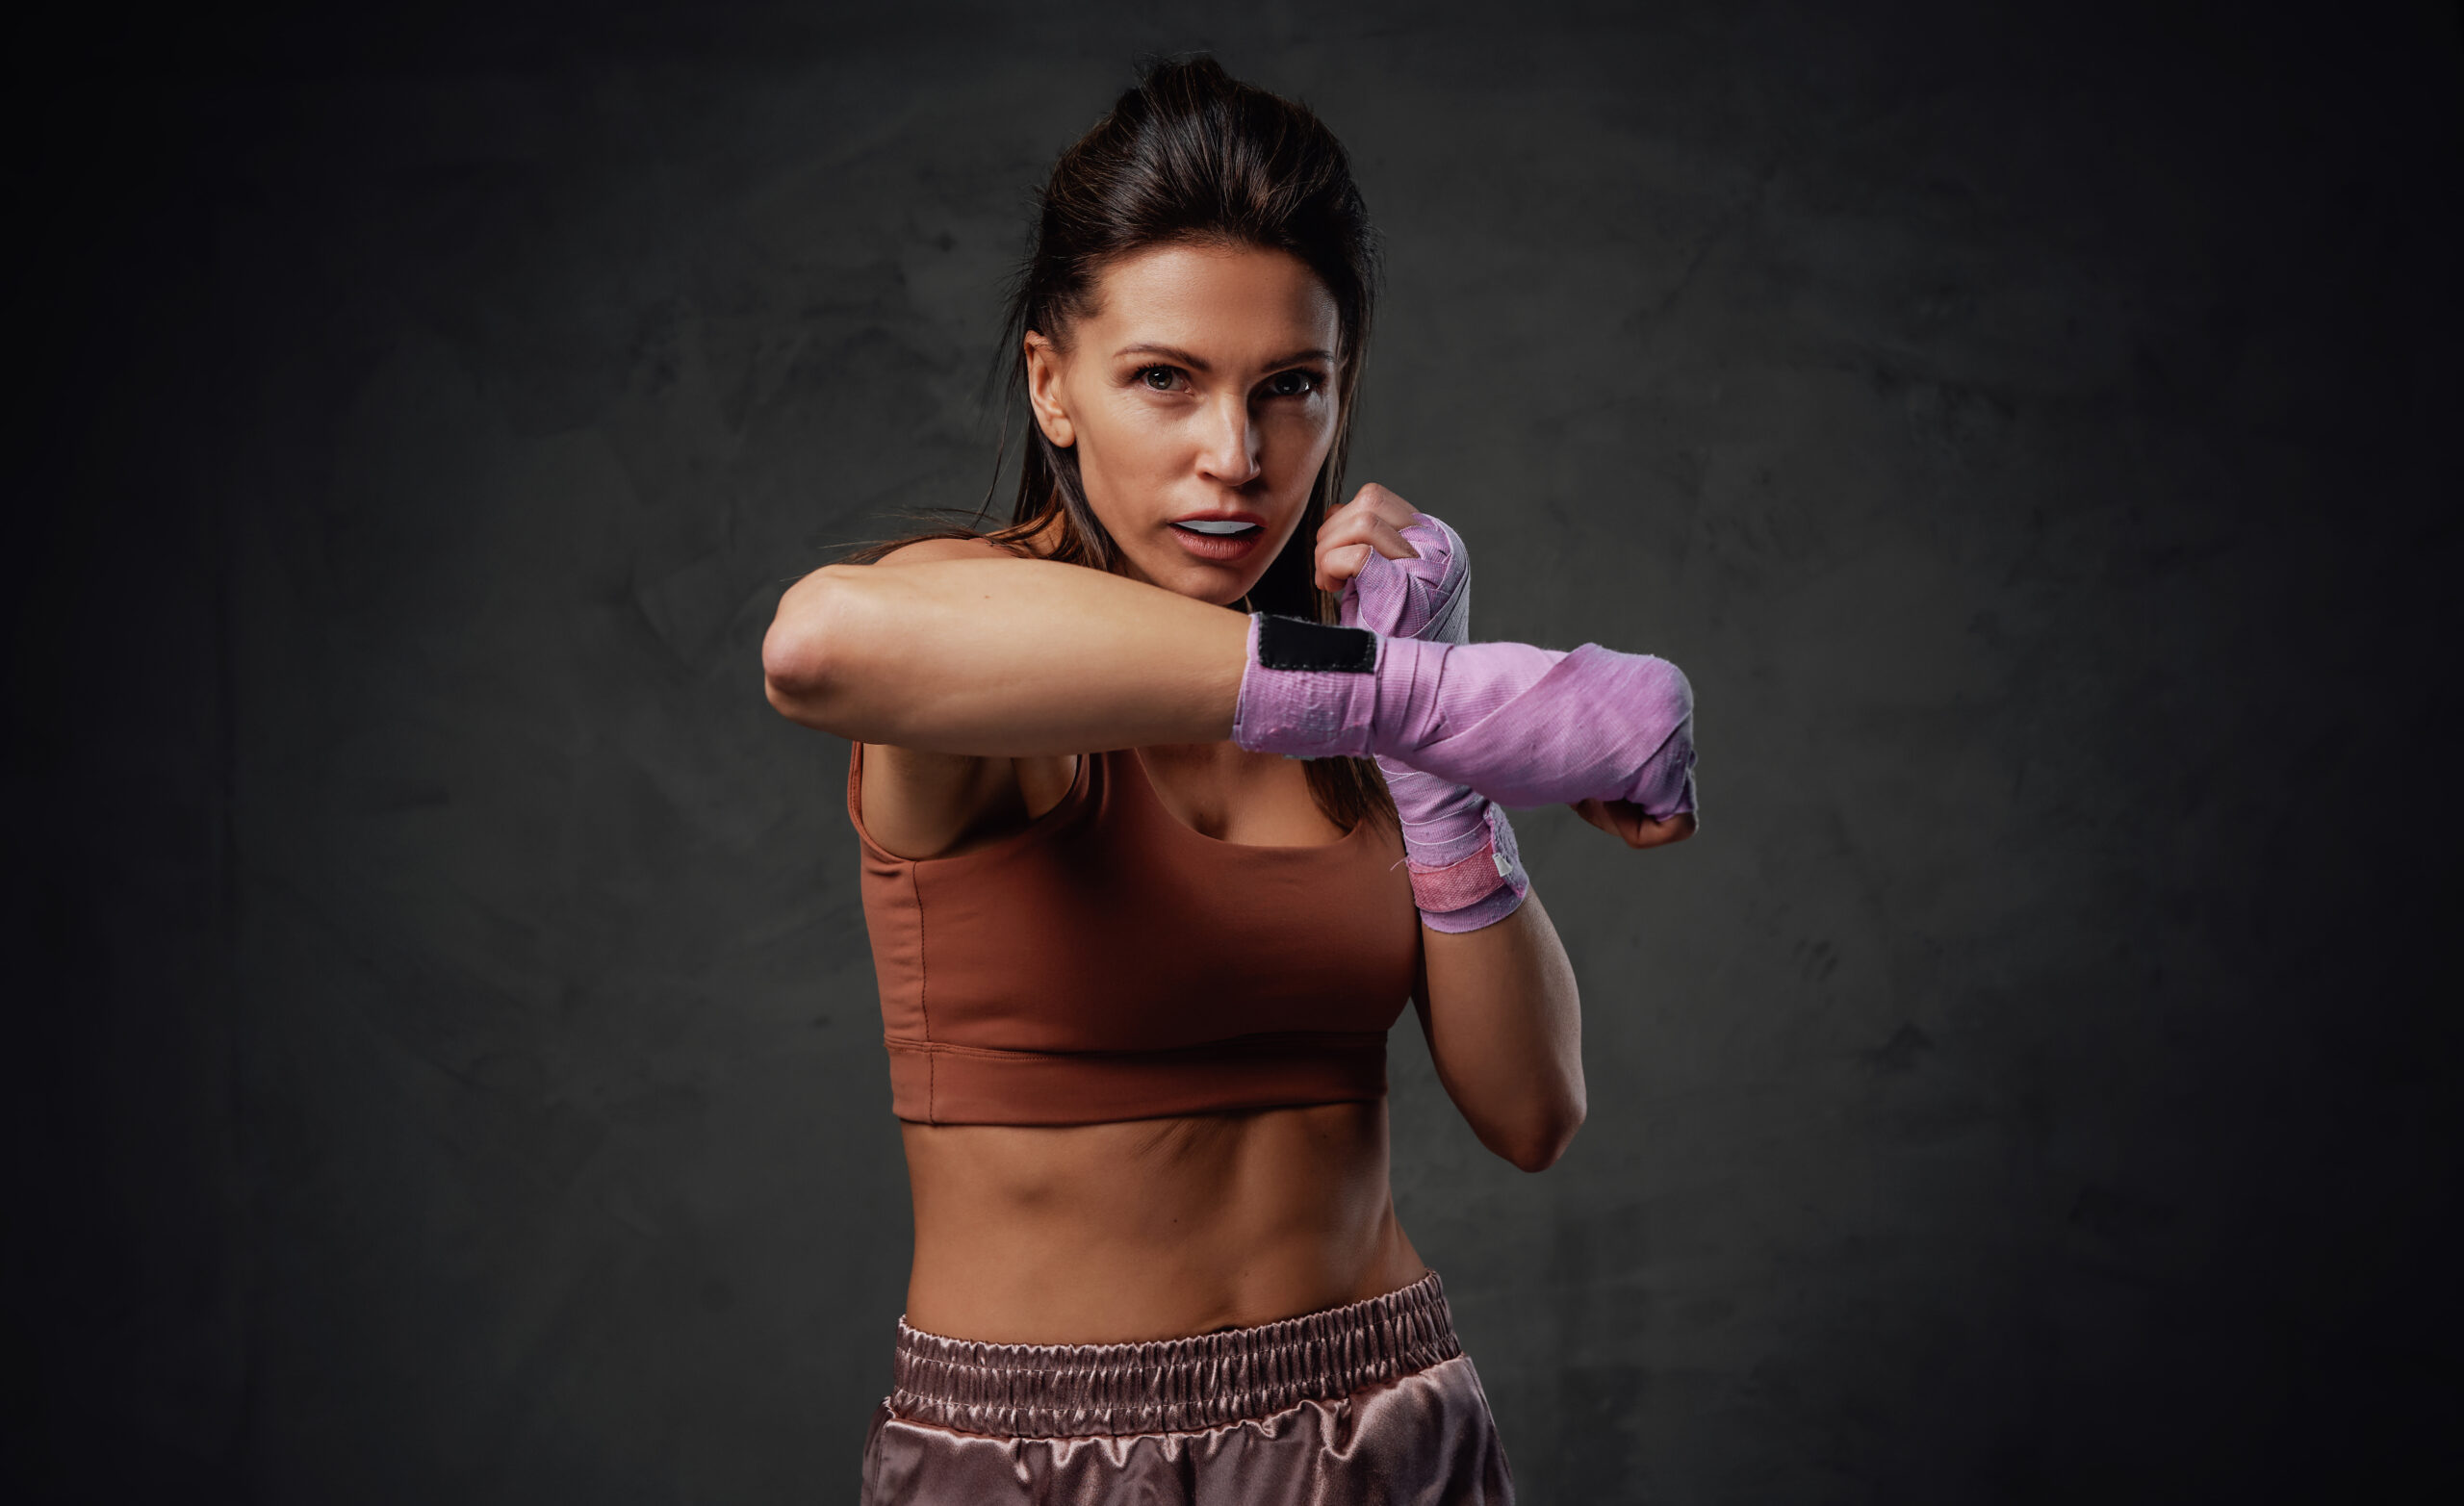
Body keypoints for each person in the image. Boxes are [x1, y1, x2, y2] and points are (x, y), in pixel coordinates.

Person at [760, 56, 1697, 1505]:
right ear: (1049, 384)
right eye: (1163, 381)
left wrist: (1434, 762)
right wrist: (1415, 692)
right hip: (1040, 1460)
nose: (1236, 458)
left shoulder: (1357, 698)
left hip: (1388, 1425)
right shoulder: (982, 651)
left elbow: (1533, 1111)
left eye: (1291, 389)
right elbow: (817, 646)